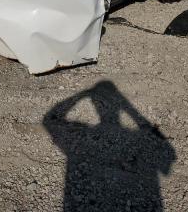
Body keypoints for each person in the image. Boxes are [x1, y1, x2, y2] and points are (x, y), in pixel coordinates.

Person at [43, 81, 176, 211]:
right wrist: (131, 111)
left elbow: (48, 121)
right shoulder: (134, 137)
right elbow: (167, 162)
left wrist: (80, 95)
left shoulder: (84, 136)